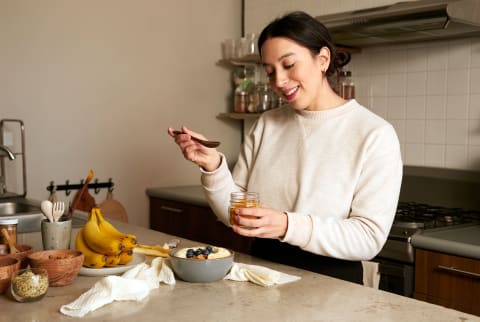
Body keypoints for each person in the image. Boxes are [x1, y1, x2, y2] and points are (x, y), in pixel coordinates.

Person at [167, 11, 402, 284]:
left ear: (323, 59)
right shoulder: (268, 123)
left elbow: (368, 238)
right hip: (260, 272)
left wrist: (287, 225)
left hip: (331, 284)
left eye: (289, 65)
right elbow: (236, 215)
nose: (278, 81)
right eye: (270, 72)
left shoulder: (374, 134)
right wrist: (213, 167)